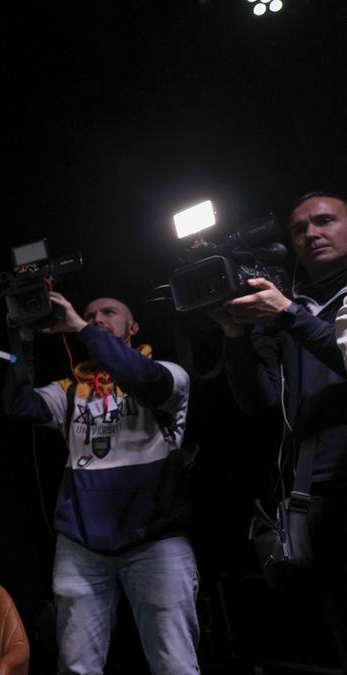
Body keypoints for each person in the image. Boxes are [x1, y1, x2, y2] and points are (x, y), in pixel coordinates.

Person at [4, 293, 197, 675]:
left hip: (155, 543)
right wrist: (20, 341)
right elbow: (18, 404)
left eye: (109, 313)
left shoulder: (168, 373)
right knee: (76, 666)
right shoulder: (71, 389)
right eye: (90, 315)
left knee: (174, 665)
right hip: (82, 546)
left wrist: (79, 327)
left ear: (133, 327)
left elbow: (142, 377)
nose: (97, 318)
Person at [221, 191, 347, 670]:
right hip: (312, 497)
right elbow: (262, 401)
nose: (311, 233)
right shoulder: (297, 309)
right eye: (298, 229)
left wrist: (289, 315)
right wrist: (235, 338)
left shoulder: (299, 311)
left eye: (324, 221)